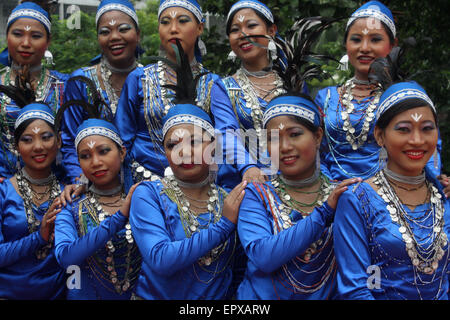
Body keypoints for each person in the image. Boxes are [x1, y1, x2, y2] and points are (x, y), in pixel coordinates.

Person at [235, 18, 359, 299]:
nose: (285, 147)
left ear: (317, 137)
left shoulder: (342, 194)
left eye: (294, 134)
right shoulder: (256, 194)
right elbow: (263, 256)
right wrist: (324, 213)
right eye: (274, 138)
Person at [129, 42, 246, 299]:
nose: (184, 152)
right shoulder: (149, 195)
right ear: (165, 152)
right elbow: (161, 259)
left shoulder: (229, 199)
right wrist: (224, 225)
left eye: (194, 142)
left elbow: (238, 271)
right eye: (173, 144)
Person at [333, 55, 450, 299]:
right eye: (403, 130)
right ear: (380, 136)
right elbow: (355, 290)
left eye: (427, 129)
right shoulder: (357, 201)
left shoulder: (444, 196)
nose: (417, 140)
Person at [314, 1, 442, 181]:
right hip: (333, 197)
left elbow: (428, 145)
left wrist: (434, 182)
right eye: (356, 39)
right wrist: (330, 191)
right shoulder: (326, 97)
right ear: (346, 45)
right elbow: (314, 152)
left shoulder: (407, 95)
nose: (364, 48)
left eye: (375, 39)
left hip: (392, 197)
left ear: (392, 44)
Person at [114, 0, 219, 183]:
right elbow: (122, 141)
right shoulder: (139, 79)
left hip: (200, 187)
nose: (173, 29)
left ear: (200, 28)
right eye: (165, 22)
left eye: (183, 20)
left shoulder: (214, 83)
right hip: (144, 184)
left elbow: (221, 142)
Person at [54, 96, 142, 299]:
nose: (95, 162)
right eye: (85, 156)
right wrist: (120, 217)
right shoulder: (71, 206)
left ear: (122, 152)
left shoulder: (143, 195)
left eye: (104, 151)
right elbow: (66, 258)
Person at [60, 0, 142, 183]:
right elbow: (69, 141)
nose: (114, 37)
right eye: (105, 32)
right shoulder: (81, 82)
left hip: (145, 184)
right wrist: (79, 180)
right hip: (93, 184)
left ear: (137, 34)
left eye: (123, 29)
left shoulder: (150, 80)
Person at [210, 0, 288, 192]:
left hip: (293, 181)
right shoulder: (224, 87)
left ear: (271, 31)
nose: (243, 34)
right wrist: (249, 166)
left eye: (251, 25)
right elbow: (226, 133)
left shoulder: (291, 82)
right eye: (235, 29)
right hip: (246, 184)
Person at [0, 101, 66, 299]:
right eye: (28, 140)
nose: (38, 147)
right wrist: (39, 238)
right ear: (16, 146)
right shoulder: (3, 192)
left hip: (58, 295)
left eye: (46, 137)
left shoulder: (68, 194)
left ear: (59, 140)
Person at [0, 0, 68, 179]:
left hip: (59, 189)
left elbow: (74, 143)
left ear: (48, 40)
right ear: (7, 36)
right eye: (17, 34)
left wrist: (75, 181)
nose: (26, 43)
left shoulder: (66, 86)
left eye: (36, 36)